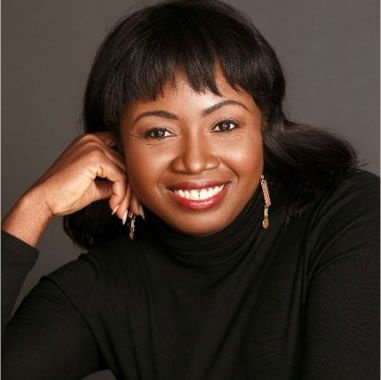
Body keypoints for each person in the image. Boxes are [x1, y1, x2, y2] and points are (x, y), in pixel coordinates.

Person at [2, 0, 379, 379]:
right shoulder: (101, 287)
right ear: (116, 148)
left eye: (225, 125)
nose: (195, 162)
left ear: (263, 128)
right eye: (158, 132)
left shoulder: (349, 218)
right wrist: (34, 207)